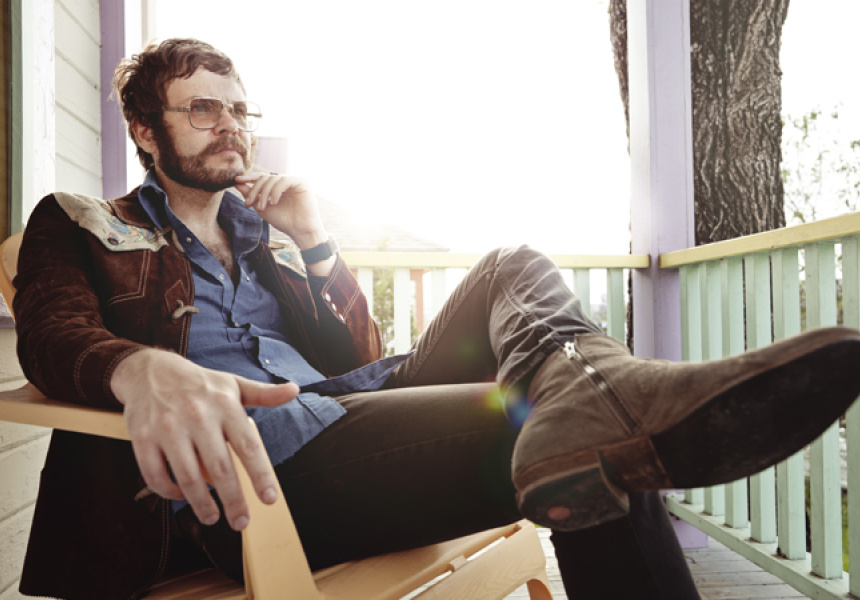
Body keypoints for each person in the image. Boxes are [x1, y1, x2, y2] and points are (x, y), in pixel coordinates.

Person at [12, 38, 860, 600]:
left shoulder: (261, 233)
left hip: (345, 412)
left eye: (239, 110)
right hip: (248, 476)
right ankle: (603, 400)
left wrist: (313, 240)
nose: (230, 126)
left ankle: (598, 385)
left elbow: (356, 353)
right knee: (583, 438)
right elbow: (51, 333)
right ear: (144, 130)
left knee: (510, 265)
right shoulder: (83, 222)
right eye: (203, 109)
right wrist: (142, 368)